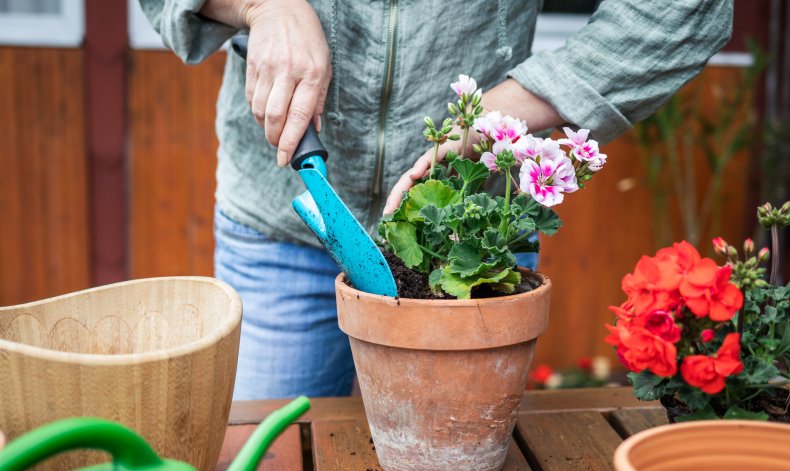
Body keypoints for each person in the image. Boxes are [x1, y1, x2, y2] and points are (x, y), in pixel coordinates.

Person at [140, 0, 733, 399]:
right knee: (271, 470)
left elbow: (685, 10)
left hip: (469, 238)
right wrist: (260, 5)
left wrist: (525, 103)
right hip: (282, 232)